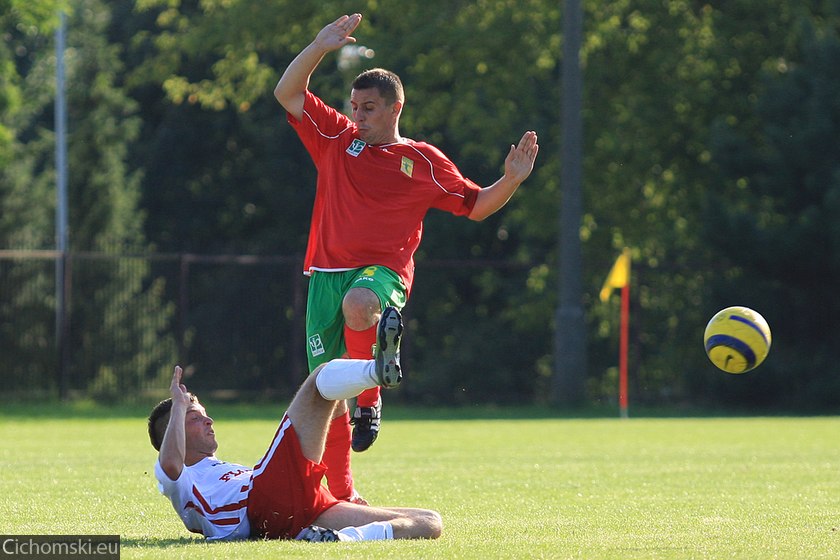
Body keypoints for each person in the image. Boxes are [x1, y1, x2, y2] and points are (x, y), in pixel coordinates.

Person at [273, 12, 539, 501]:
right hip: (322, 276)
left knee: (360, 305)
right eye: (354, 106)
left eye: (369, 108)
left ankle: (371, 398)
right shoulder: (336, 138)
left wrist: (512, 180)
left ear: (396, 108)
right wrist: (317, 46)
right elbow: (287, 93)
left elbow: (477, 206)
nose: (358, 116)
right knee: (323, 393)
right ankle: (344, 495)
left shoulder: (424, 162)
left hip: (382, 275)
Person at [147, 307, 441, 542]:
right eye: (194, 417)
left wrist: (186, 410)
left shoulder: (215, 469)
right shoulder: (179, 476)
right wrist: (178, 405)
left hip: (292, 511)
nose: (208, 420)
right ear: (174, 432)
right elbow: (171, 463)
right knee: (320, 378)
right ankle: (375, 372)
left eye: (203, 413)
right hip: (265, 500)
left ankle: (345, 539)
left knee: (428, 522)